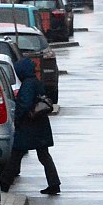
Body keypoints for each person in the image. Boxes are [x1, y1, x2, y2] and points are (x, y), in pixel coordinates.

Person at [6, 56, 61, 195]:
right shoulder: (36, 81)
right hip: (40, 124)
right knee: (44, 155)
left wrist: (17, 119)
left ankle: (4, 183)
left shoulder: (28, 84)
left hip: (28, 126)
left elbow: (24, 104)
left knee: (16, 154)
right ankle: (54, 183)